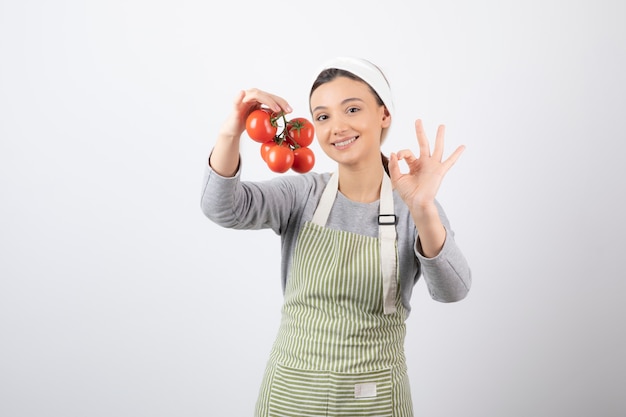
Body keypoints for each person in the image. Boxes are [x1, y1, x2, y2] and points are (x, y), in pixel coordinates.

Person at [200, 56, 472, 417]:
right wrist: (231, 131)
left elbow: (453, 291)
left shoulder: (414, 206)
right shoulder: (302, 195)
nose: (337, 127)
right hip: (290, 395)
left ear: (384, 115)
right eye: (323, 116)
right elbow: (222, 208)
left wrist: (424, 209)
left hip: (375, 399)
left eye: (353, 109)